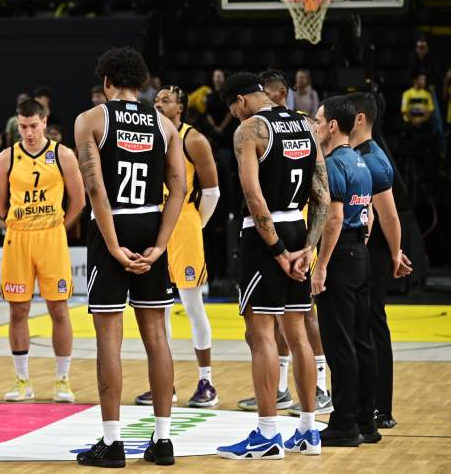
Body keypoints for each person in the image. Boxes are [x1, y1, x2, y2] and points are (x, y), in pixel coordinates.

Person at [74, 47, 185, 467]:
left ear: (106, 82)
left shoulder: (92, 119)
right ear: (141, 84)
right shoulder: (164, 124)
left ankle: (112, 442)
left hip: (113, 225)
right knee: (156, 335)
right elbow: (179, 187)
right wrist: (160, 243)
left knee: (109, 337)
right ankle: (163, 439)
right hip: (151, 222)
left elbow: (95, 189)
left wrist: (112, 244)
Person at [215, 72, 329, 460]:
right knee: (297, 333)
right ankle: (309, 430)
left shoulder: (249, 130)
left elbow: (253, 195)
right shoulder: (305, 124)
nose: (235, 115)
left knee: (260, 333)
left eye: (233, 109)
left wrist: (279, 252)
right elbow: (322, 194)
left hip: (266, 238)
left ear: (241, 100)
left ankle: (266, 435)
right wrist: (307, 249)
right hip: (299, 229)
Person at [0, 99, 85, 403]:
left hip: (51, 238)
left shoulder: (63, 155)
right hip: (18, 238)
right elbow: (0, 206)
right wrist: (19, 222)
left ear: (44, 122)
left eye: (33, 125)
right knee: (18, 310)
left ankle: (62, 380)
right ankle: (22, 381)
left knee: (58, 308)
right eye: (23, 127)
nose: (29, 133)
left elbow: (79, 201)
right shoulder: (6, 158)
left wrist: (59, 226)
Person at [132, 85, 220, 408]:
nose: (158, 104)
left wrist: (196, 224)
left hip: (184, 224)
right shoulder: (148, 136)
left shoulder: (193, 139)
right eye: (156, 100)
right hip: (154, 223)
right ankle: (164, 384)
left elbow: (212, 192)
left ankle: (206, 382)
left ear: (180, 106)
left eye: (165, 100)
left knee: (193, 306)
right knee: (159, 309)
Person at [310, 96, 377, 446]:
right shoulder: (361, 162)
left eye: (319, 121)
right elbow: (369, 214)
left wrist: (320, 266)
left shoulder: (334, 164)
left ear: (333, 126)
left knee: (339, 345)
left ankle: (344, 424)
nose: (315, 126)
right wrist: (359, 244)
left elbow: (334, 218)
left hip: (340, 256)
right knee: (362, 342)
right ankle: (367, 421)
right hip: (360, 253)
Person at [347, 92, 413, 429]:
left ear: (359, 118)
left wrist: (394, 253)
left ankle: (380, 408)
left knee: (373, 326)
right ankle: (364, 403)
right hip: (365, 250)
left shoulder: (372, 158)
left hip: (372, 253)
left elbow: (389, 216)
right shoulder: (358, 154)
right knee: (363, 327)